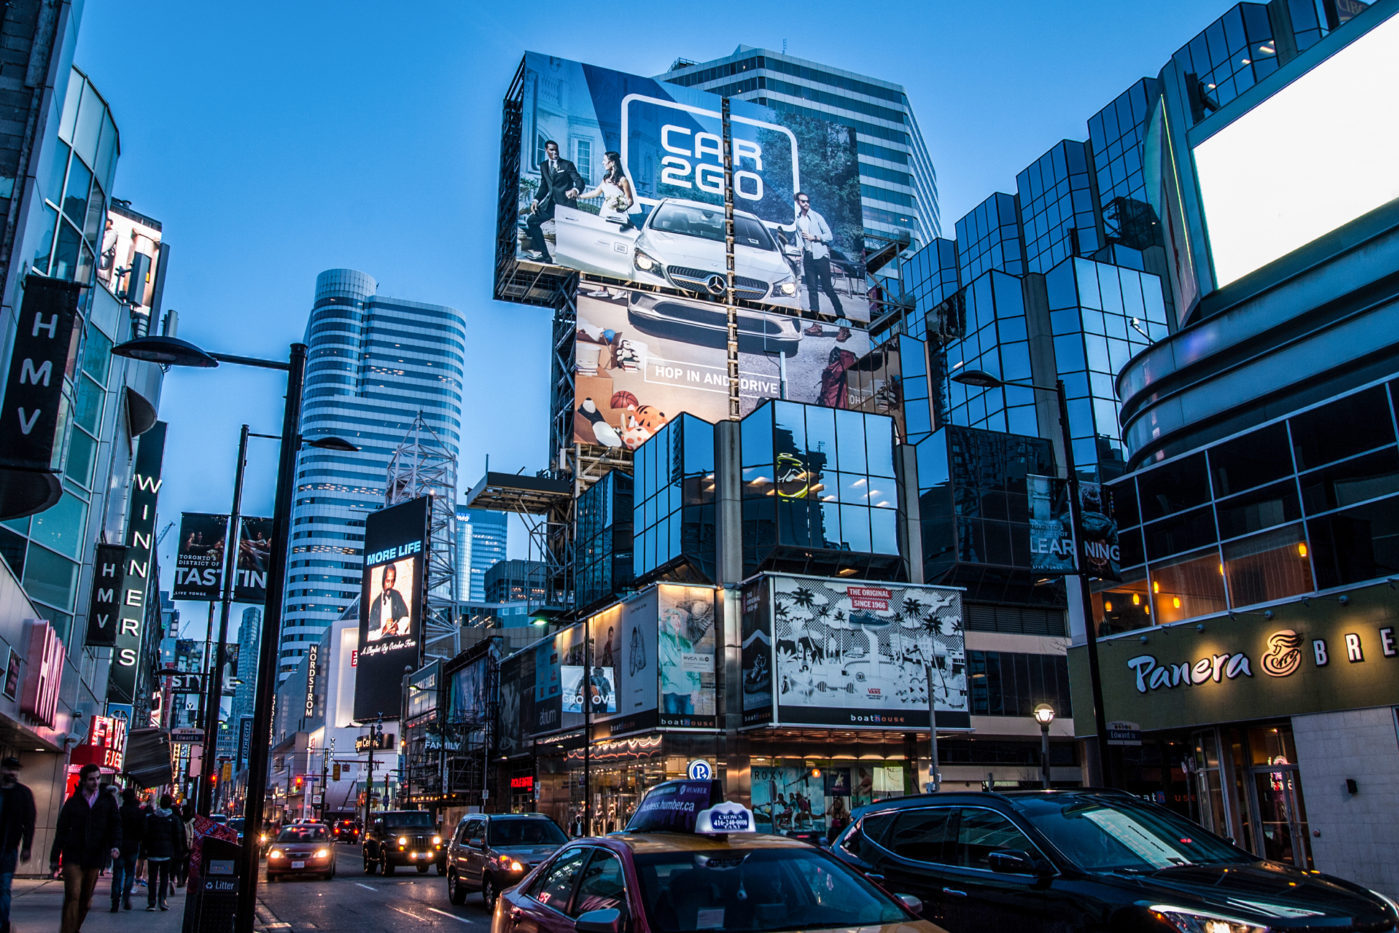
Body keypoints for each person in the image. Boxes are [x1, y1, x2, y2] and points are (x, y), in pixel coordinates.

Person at [50, 763, 121, 933]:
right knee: (73, 895)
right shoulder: (73, 803)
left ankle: (74, 928)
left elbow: (115, 825)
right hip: (73, 855)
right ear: (83, 781)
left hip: (94, 856)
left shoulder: (107, 801)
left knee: (85, 900)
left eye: (97, 778)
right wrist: (54, 858)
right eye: (91, 779)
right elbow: (61, 830)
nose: (95, 782)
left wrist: (115, 846)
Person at [781, 192, 846, 320]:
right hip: (808, 257)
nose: (806, 203)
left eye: (807, 201)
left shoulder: (817, 217)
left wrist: (814, 237)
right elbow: (800, 238)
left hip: (820, 256)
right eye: (803, 201)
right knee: (812, 289)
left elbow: (829, 236)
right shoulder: (799, 220)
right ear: (798, 202)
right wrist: (799, 253)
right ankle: (815, 323)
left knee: (827, 288)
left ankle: (842, 316)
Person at [525, 140, 584, 262]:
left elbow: (579, 181)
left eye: (556, 149)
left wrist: (575, 190)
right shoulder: (543, 165)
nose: (555, 152)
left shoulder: (567, 165)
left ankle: (572, 260)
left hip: (565, 205)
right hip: (550, 205)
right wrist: (536, 200)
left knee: (569, 234)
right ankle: (545, 255)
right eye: (551, 150)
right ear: (546, 150)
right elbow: (544, 186)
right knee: (532, 221)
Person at [0, 756, 35, 933]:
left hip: (9, 848)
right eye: (9, 769)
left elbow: (29, 822)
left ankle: (3, 924)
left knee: (4, 888)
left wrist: (27, 847)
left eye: (15, 770)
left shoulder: (23, 793)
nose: (12, 773)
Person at [140, 795, 184, 911]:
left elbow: (145, 835)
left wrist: (145, 849)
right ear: (169, 805)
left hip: (153, 851)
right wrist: (178, 851)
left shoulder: (151, 818)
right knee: (164, 877)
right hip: (167, 852)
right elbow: (177, 837)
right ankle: (162, 900)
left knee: (152, 878)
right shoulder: (174, 819)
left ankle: (151, 902)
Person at [577, 151, 636, 224]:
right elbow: (595, 192)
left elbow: (630, 200)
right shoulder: (606, 178)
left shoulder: (623, 180)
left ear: (612, 162)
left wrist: (621, 208)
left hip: (617, 214)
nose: (602, 162)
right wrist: (579, 196)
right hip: (605, 210)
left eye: (604, 160)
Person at [110, 788, 144, 911]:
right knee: (130, 873)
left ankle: (115, 900)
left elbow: (114, 828)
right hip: (133, 846)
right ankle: (126, 897)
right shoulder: (139, 813)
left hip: (120, 845)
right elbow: (143, 831)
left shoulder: (120, 811)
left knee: (118, 873)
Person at [370, 563, 410, 640]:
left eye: (392, 581)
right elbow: (370, 634)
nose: (390, 585)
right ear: (383, 580)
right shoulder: (376, 604)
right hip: (379, 644)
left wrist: (397, 626)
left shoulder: (397, 596)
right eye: (388, 581)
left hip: (396, 642)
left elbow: (406, 617)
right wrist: (383, 630)